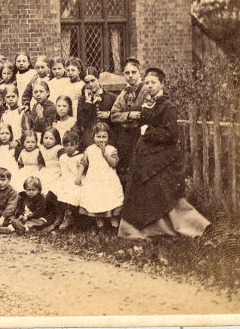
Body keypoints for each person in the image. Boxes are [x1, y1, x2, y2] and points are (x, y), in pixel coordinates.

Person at [119, 68, 211, 239]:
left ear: (162, 84)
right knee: (141, 191)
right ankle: (141, 230)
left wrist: (148, 132)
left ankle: (191, 226)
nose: (149, 86)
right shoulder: (147, 103)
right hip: (145, 156)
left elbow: (171, 134)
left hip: (163, 157)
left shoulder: (167, 106)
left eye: (153, 82)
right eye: (146, 82)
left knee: (161, 191)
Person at [110, 58, 150, 189]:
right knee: (125, 170)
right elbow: (114, 115)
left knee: (139, 169)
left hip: (140, 136)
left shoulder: (146, 90)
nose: (130, 75)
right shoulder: (123, 93)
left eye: (134, 72)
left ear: (140, 73)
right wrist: (129, 115)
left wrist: (131, 117)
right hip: (125, 138)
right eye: (127, 73)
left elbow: (145, 113)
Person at [76, 122, 124, 230]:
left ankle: (114, 224)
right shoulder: (89, 149)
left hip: (108, 179)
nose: (101, 139)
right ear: (93, 137)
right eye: (98, 137)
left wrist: (105, 153)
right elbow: (83, 163)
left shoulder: (111, 149)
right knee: (96, 199)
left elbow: (114, 163)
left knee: (110, 200)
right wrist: (78, 176)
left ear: (108, 137)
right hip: (94, 179)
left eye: (104, 137)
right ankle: (100, 225)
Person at [77, 66, 116, 148]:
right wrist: (87, 102)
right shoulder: (82, 99)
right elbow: (82, 122)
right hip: (90, 136)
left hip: (108, 135)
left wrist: (109, 115)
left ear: (98, 79)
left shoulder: (112, 97)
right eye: (87, 82)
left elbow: (117, 117)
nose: (90, 84)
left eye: (93, 80)